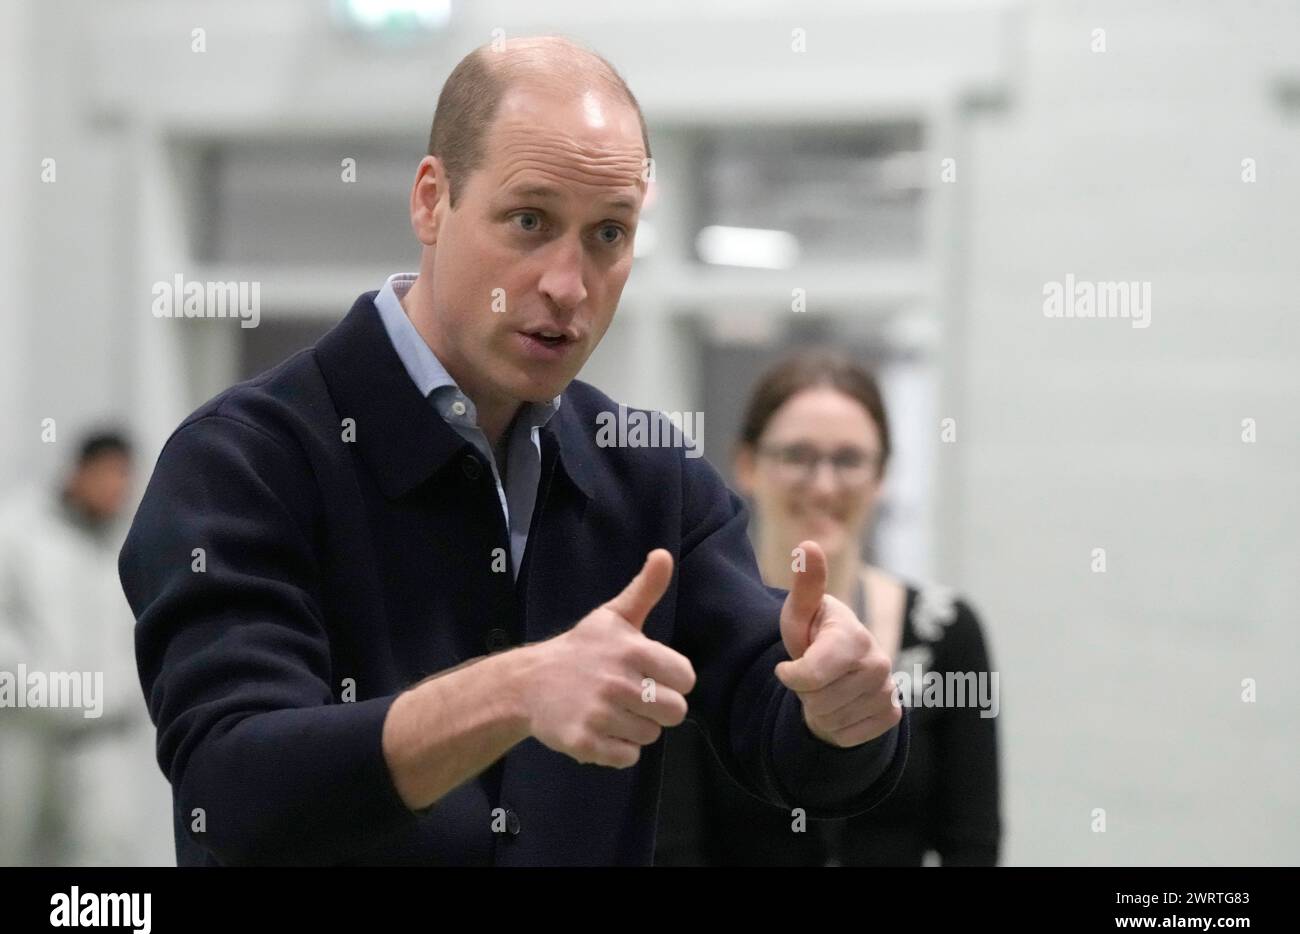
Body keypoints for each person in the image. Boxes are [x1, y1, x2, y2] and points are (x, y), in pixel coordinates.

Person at [117, 36, 909, 866]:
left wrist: (842, 709)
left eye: (609, 234)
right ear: (431, 200)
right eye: (530, 221)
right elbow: (233, 789)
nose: (568, 285)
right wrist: (517, 690)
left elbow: (776, 724)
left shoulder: (650, 477)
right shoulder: (244, 463)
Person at [656, 351, 1001, 866]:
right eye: (797, 455)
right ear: (747, 464)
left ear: (882, 474)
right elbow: (673, 849)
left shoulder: (946, 630)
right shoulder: (692, 630)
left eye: (848, 459)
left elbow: (972, 844)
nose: (823, 484)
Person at [0, 430, 173, 865]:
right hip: (22, 733)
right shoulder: (17, 531)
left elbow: (145, 638)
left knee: (101, 857)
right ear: (80, 470)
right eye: (108, 475)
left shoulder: (130, 547)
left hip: (101, 744)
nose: (116, 489)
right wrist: (47, 695)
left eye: (124, 479)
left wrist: (106, 699)